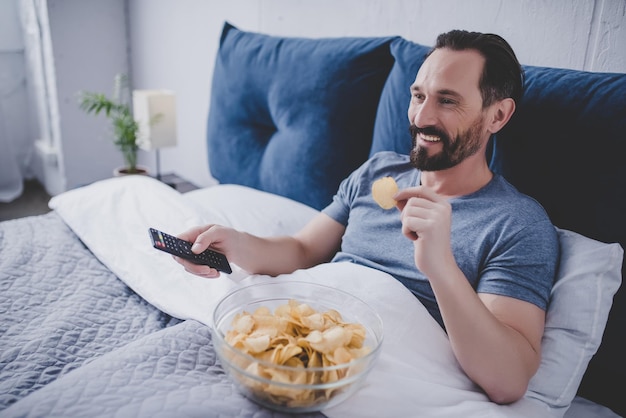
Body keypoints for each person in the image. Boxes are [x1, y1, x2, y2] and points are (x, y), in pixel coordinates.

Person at [175, 30, 559, 405]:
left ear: (498, 115)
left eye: (447, 101)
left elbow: (508, 381)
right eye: (418, 95)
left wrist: (440, 266)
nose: (421, 117)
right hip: (297, 350)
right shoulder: (378, 173)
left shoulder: (517, 223)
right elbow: (302, 249)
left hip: (375, 373)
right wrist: (235, 243)